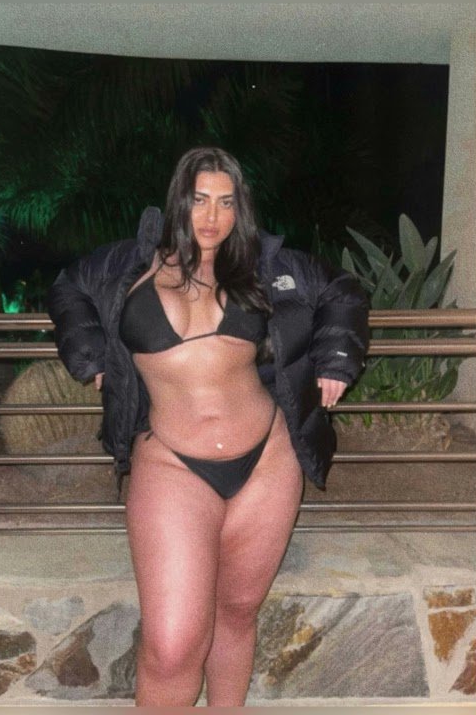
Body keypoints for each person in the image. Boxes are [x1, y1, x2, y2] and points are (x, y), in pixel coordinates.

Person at [48, 146, 370, 706]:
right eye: (200, 200)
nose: (212, 216)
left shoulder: (265, 265)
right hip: (173, 463)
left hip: (267, 460)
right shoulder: (130, 264)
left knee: (237, 613)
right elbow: (67, 288)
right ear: (179, 200)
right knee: (172, 646)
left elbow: (342, 291)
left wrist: (336, 361)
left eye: (226, 202)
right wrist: (89, 355)